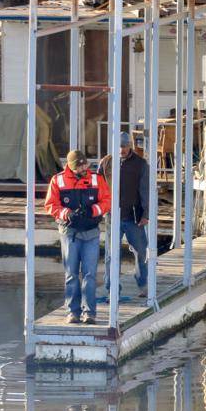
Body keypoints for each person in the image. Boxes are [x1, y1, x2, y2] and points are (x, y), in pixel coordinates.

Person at [44, 150, 111, 325]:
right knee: (71, 274)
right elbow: (51, 205)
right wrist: (67, 214)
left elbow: (107, 200)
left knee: (90, 274)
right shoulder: (57, 180)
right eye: (80, 166)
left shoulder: (97, 179)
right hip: (70, 234)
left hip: (91, 233)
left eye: (85, 164)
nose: (84, 168)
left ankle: (90, 313)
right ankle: (72, 312)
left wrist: (92, 210)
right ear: (72, 167)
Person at [99, 131, 151, 298]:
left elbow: (145, 191)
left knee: (141, 252)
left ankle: (143, 284)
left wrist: (146, 213)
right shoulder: (106, 162)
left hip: (133, 215)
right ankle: (112, 289)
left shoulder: (141, 164)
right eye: (120, 146)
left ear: (131, 146)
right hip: (112, 216)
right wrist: (99, 209)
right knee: (110, 254)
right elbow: (99, 188)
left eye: (125, 146)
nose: (122, 149)